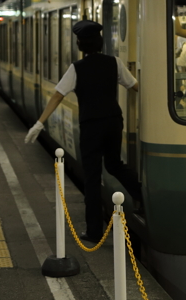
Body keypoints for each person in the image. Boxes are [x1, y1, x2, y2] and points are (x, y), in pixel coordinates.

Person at [25, 20, 142, 242]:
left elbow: (58, 95)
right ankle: (140, 195)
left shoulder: (76, 69)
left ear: (80, 44)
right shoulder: (114, 63)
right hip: (114, 122)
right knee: (114, 164)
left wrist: (39, 123)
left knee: (91, 178)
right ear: (100, 42)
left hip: (91, 127)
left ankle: (95, 231)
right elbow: (135, 86)